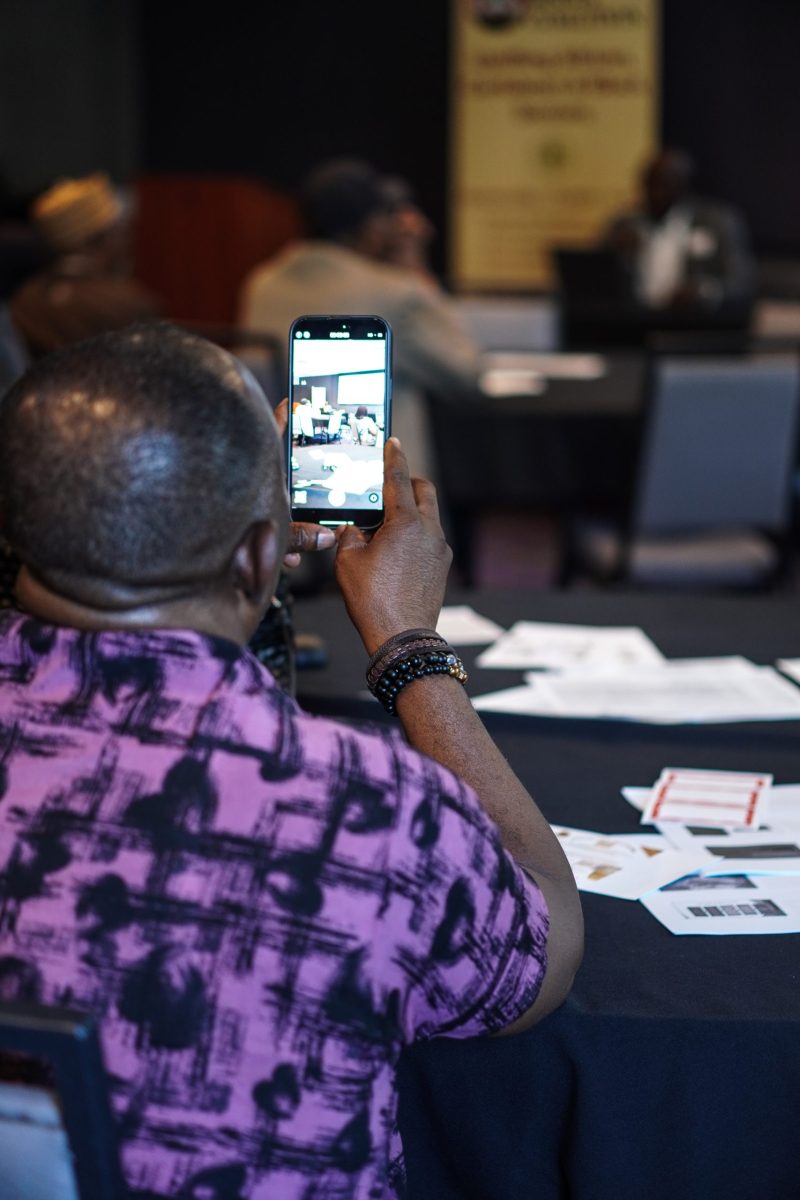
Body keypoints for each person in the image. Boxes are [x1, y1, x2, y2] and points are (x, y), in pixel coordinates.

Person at [0, 322, 582, 1199]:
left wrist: (249, 543)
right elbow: (545, 948)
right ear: (255, 558)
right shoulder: (368, 810)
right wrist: (406, 640)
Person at [236, 157, 483, 482]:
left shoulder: (261, 283)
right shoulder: (394, 291)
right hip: (384, 492)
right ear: (374, 227)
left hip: (282, 484)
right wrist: (416, 270)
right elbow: (468, 375)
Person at [9, 172, 163, 358]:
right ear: (103, 238)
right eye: (122, 232)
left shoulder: (24, 300)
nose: (128, 241)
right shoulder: (128, 303)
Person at [602, 147, 755, 316]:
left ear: (685, 184)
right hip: (634, 320)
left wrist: (703, 291)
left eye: (667, 183)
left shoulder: (717, 222)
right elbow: (596, 280)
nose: (658, 192)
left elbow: (741, 281)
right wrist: (616, 255)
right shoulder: (624, 225)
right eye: (652, 182)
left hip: (691, 321)